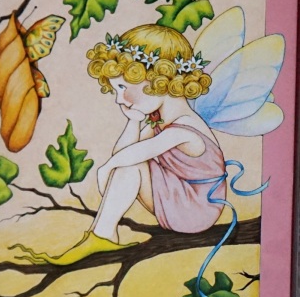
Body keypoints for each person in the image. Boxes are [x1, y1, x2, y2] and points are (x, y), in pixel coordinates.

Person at [13, 24, 229, 267]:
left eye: (123, 87)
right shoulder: (161, 122)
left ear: (156, 80)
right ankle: (101, 234)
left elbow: (133, 157)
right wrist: (133, 121)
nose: (119, 99)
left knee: (131, 164)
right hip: (180, 200)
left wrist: (108, 167)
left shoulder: (185, 127)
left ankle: (102, 235)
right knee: (129, 164)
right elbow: (125, 154)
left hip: (196, 210)